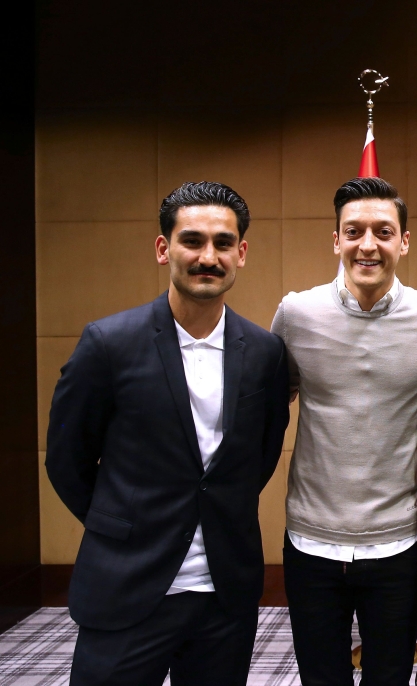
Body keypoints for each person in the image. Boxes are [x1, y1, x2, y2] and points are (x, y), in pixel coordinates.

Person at [46, 181, 290, 686]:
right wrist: (121, 522)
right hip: (127, 585)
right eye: (192, 241)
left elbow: (258, 457)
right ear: (164, 249)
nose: (208, 256)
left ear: (241, 253)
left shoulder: (266, 353)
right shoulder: (107, 344)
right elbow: (66, 460)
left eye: (223, 243)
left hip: (224, 595)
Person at [271, 177, 417, 686]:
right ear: (336, 240)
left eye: (383, 231)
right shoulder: (296, 314)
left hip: (397, 545)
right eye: (354, 231)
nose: (367, 244)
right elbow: (261, 414)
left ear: (403, 242)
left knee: (389, 678)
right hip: (309, 545)